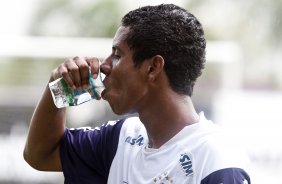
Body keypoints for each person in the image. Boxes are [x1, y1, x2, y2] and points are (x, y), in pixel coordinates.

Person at [23, 4, 251, 184]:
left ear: (152, 68)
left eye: (116, 54)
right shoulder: (121, 138)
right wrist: (59, 92)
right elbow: (40, 155)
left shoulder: (217, 161)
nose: (104, 66)